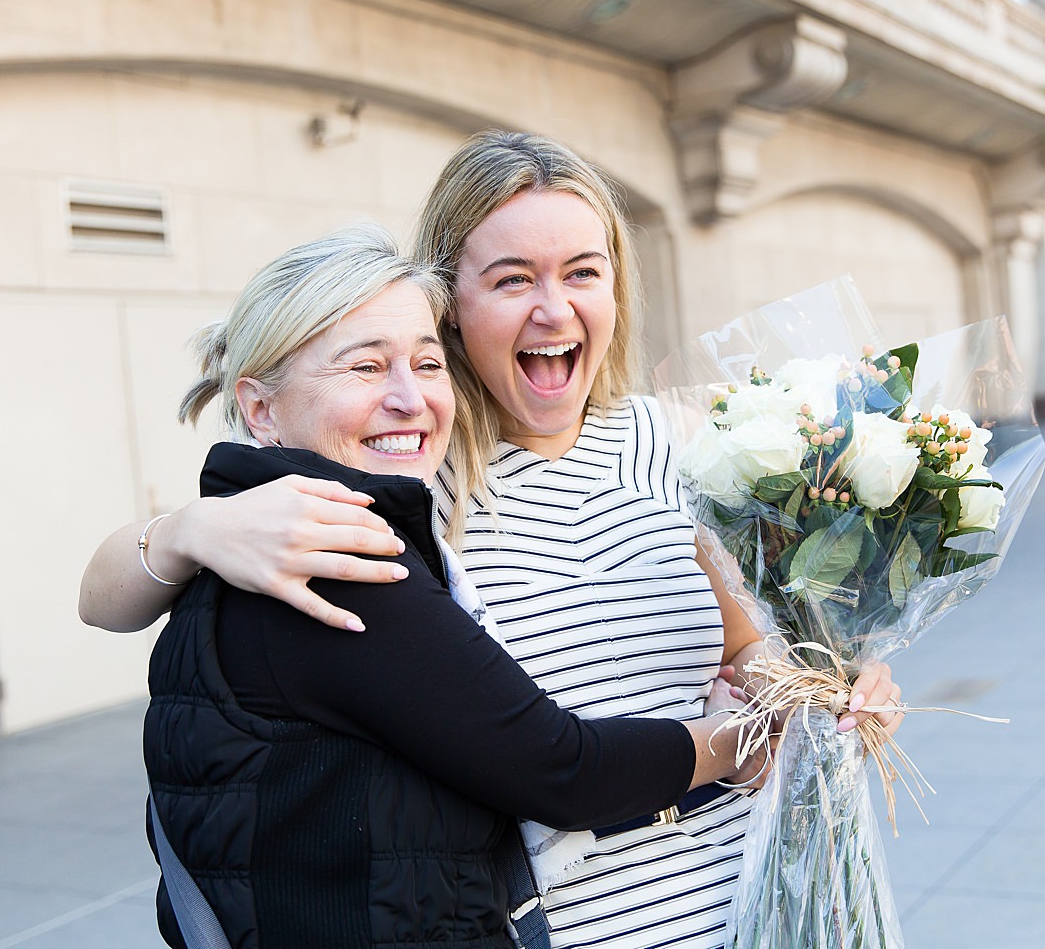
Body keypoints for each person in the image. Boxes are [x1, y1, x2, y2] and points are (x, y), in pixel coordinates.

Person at [84, 132, 903, 949]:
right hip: (577, 924)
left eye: (583, 271)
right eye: (513, 279)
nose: (554, 308)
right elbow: (101, 598)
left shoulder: (687, 445)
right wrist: (195, 526)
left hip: (756, 897)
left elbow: (748, 645)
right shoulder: (406, 479)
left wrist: (818, 695)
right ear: (452, 304)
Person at [142, 224, 760, 949]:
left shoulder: (274, 525)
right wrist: (741, 739)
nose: (410, 398)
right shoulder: (338, 560)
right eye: (365, 368)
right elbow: (560, 769)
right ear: (261, 408)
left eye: (426, 363)